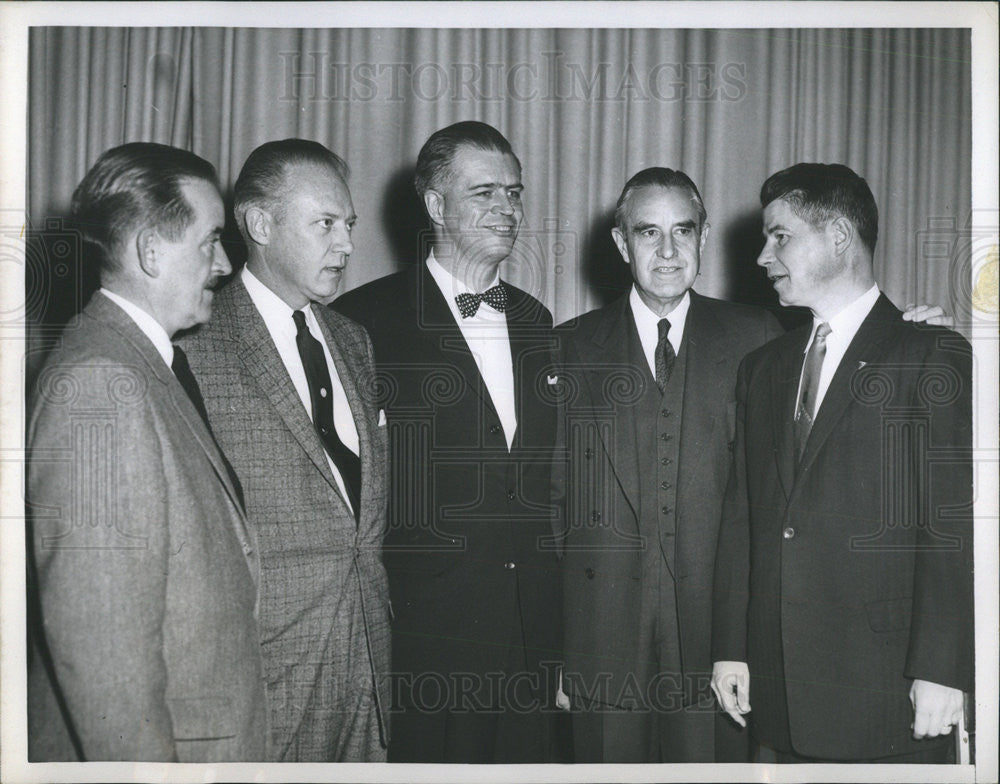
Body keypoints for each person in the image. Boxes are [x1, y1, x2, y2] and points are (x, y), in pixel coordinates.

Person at [711, 163, 973, 763]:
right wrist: (732, 647)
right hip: (777, 686)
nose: (762, 256)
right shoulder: (763, 367)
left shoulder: (931, 353)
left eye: (780, 236)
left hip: (889, 691)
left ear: (837, 237)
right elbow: (742, 514)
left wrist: (942, 668)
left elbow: (952, 525)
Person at [26, 142, 268, 761]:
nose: (223, 265)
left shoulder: (139, 367)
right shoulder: (99, 388)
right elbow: (104, 658)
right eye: (211, 240)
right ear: (150, 252)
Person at [331, 121, 561, 763]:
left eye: (514, 193)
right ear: (435, 205)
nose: (507, 209)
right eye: (485, 192)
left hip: (530, 634)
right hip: (424, 639)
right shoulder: (363, 323)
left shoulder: (536, 320)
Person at [555, 167, 783, 762]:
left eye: (683, 231)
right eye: (648, 233)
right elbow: (548, 507)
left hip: (720, 638)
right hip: (602, 639)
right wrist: (559, 654)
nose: (667, 251)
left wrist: (915, 333)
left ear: (704, 237)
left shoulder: (760, 337)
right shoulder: (567, 348)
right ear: (619, 242)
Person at [179, 139, 390, 762]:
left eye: (348, 225)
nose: (347, 244)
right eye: (325, 223)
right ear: (260, 224)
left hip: (368, 668)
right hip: (262, 677)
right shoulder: (195, 342)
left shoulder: (354, 341)